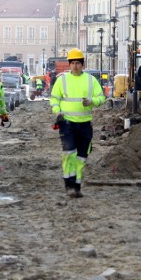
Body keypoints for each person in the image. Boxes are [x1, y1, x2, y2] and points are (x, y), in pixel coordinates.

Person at [50, 48, 105, 198]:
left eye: (78, 63)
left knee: (82, 156)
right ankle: (69, 184)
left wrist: (91, 101)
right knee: (69, 153)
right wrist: (57, 111)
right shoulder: (62, 80)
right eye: (72, 63)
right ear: (69, 64)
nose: (75, 66)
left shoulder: (90, 80)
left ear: (82, 64)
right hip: (67, 123)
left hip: (85, 124)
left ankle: (77, 185)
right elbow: (54, 99)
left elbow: (101, 97)